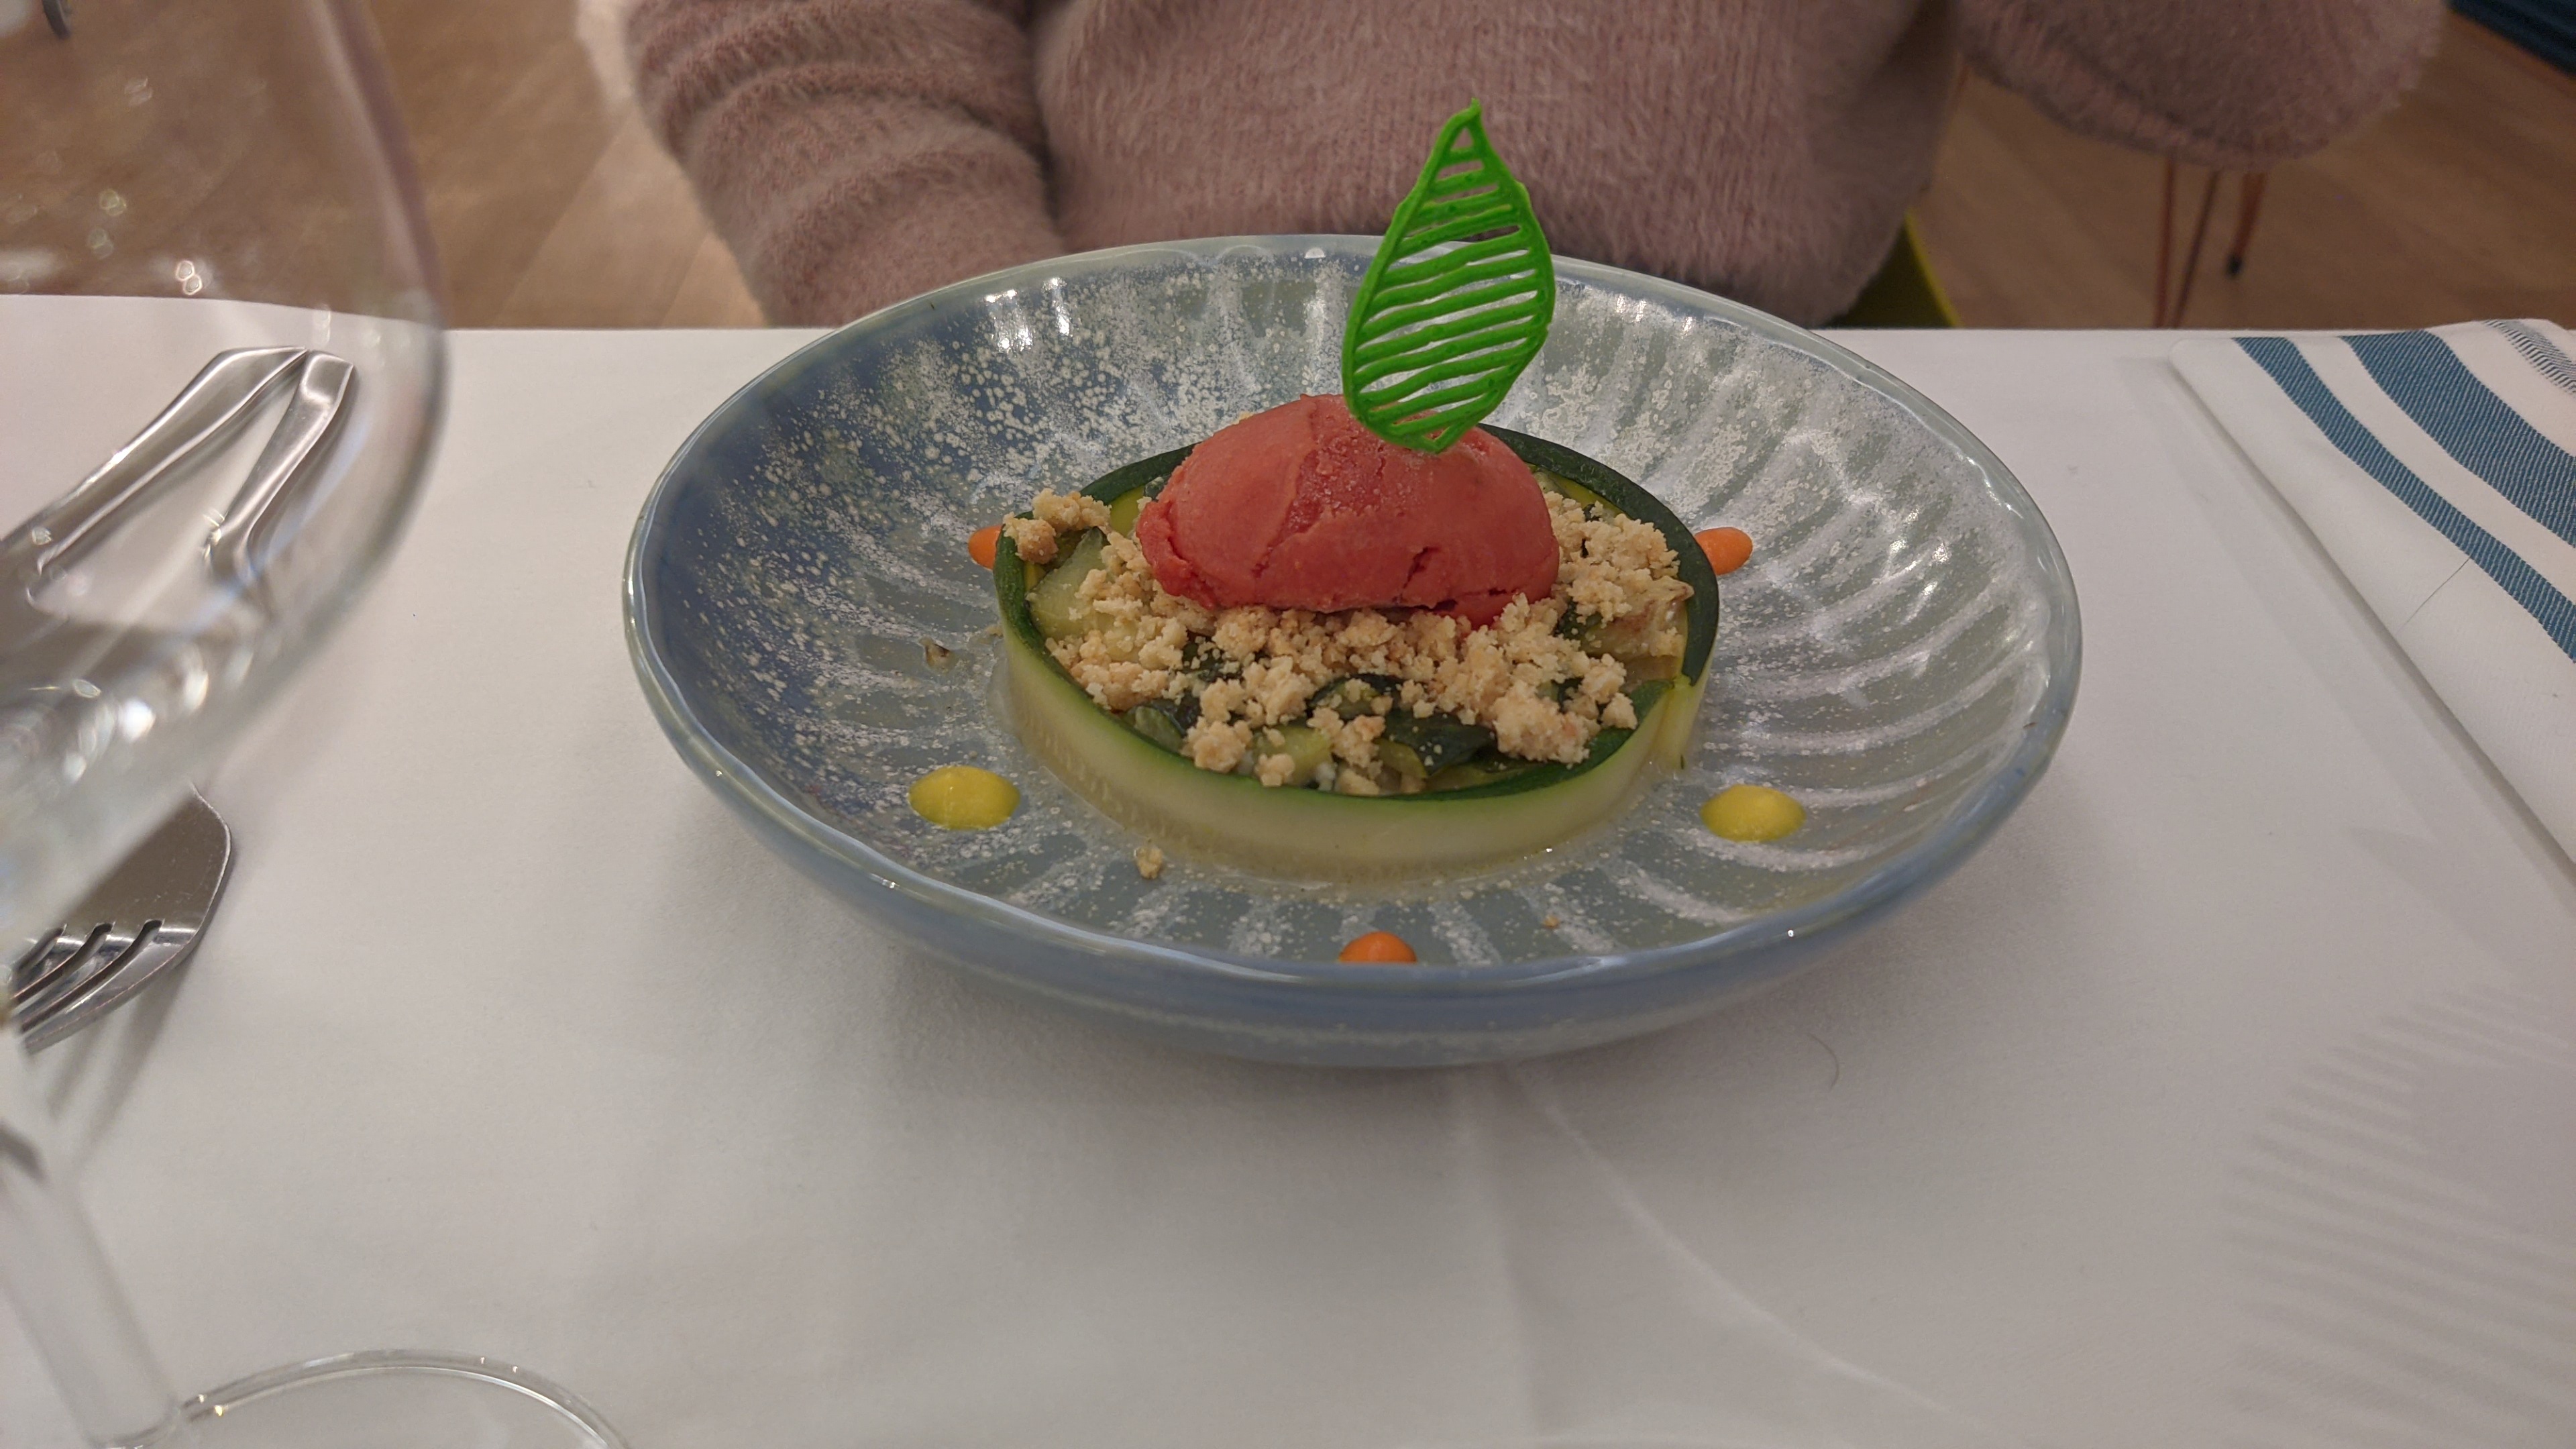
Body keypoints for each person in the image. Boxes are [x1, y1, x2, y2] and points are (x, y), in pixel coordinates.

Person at [625, 0, 2443, 327]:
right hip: (1115, 342)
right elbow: (807, 39)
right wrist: (999, 363)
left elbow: (2288, 70)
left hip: (1778, 368)